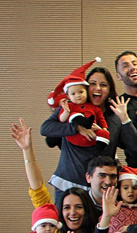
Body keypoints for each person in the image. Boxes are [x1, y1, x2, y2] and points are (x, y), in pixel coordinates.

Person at [40, 59, 109, 193]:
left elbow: (134, 147)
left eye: (103, 85)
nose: (98, 88)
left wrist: (124, 120)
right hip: (67, 180)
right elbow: (46, 130)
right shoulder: (71, 107)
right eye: (93, 84)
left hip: (98, 185)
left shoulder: (114, 113)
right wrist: (77, 128)